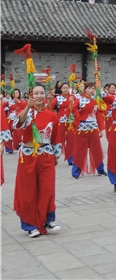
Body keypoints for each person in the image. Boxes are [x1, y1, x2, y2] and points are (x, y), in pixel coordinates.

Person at [11, 84, 62, 238]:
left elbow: (55, 137)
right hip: (27, 156)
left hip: (46, 155)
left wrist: (55, 156)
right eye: (36, 93)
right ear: (31, 96)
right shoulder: (26, 112)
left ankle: (48, 219)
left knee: (48, 189)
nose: (39, 96)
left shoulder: (51, 115)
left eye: (41, 93)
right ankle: (30, 225)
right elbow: (17, 124)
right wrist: (28, 106)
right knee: (28, 191)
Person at [71, 82, 107, 179]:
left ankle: (100, 169)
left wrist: (100, 129)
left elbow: (98, 115)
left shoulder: (95, 101)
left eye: (93, 88)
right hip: (82, 129)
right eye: (90, 88)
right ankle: (76, 172)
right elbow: (72, 110)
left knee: (97, 149)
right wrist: (72, 105)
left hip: (93, 128)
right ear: (85, 89)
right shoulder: (79, 100)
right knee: (80, 150)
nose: (92, 90)